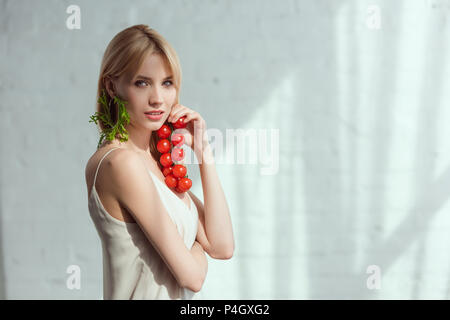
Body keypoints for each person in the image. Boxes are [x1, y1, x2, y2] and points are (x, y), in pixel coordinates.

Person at [84, 24, 234, 300]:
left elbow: (223, 247)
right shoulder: (119, 164)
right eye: (142, 82)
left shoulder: (158, 160)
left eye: (167, 83)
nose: (157, 99)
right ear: (112, 85)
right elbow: (193, 277)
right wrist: (196, 246)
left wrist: (204, 153)